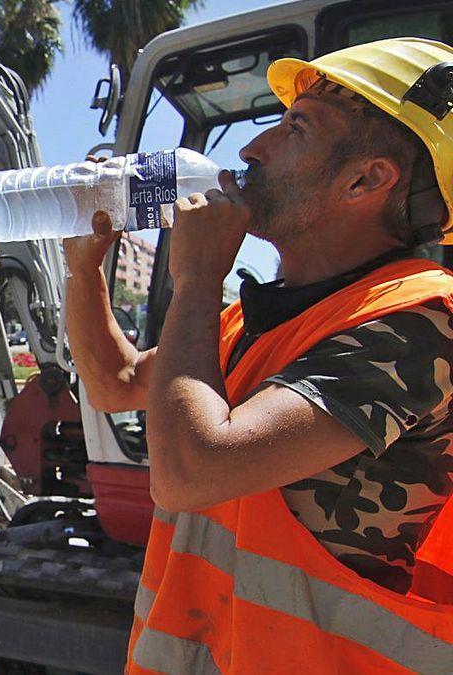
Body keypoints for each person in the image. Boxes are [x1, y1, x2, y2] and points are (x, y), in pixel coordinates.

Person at [64, 39, 453, 671]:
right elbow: (118, 383)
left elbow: (192, 472)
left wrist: (195, 280)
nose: (251, 150)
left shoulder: (421, 321)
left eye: (295, 128)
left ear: (367, 178)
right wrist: (85, 273)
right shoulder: (257, 318)